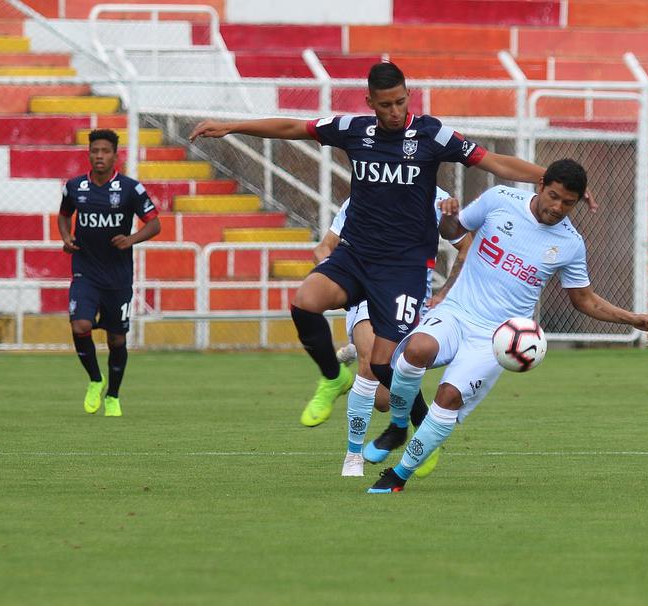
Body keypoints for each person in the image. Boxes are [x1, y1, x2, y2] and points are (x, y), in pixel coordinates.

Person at [190, 62, 548, 477]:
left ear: (408, 95)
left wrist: (547, 177)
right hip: (357, 255)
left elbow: (493, 162)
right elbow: (294, 127)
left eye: (400, 102)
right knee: (305, 302)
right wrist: (232, 126)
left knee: (384, 367)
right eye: (385, 105)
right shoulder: (354, 129)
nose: (394, 111)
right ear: (370, 103)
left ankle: (420, 435)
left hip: (404, 268)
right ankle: (332, 378)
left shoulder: (433, 134)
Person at [366, 159, 648, 493]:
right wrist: (448, 216)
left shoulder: (570, 244)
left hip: (497, 338)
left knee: (448, 397)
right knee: (416, 351)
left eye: (568, 203)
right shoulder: (500, 199)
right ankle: (399, 425)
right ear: (541, 185)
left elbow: (585, 300)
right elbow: (453, 232)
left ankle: (399, 476)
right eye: (553, 196)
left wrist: (633, 318)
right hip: (457, 311)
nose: (558, 207)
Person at [313, 186, 473, 477]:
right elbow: (326, 246)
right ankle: (353, 457)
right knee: (370, 367)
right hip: (366, 290)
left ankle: (354, 355)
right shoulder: (366, 192)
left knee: (384, 401)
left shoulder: (438, 199)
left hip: (410, 300)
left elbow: (467, 246)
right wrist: (335, 276)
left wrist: (446, 292)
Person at [58, 129, 161, 417]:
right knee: (80, 326)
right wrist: (66, 238)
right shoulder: (75, 187)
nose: (99, 156)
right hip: (85, 272)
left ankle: (113, 395)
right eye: (94, 151)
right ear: (89, 154)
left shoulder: (130, 189)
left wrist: (131, 239)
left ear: (116, 155)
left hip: (117, 278)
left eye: (105, 151)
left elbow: (154, 224)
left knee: (116, 340)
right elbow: (64, 216)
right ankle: (95, 380)